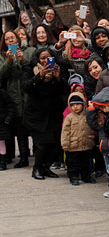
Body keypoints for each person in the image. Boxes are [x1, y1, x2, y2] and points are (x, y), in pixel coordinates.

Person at [22, 48, 69, 180]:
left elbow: (65, 89)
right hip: (36, 114)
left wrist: (58, 78)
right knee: (42, 143)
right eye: (42, 58)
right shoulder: (30, 69)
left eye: (48, 58)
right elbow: (26, 87)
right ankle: (37, 169)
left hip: (54, 112)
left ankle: (46, 168)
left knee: (55, 144)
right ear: (38, 59)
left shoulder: (58, 68)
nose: (45, 61)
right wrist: (40, 76)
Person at [0, 29, 35, 168]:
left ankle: (30, 154)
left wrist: (22, 60)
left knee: (27, 126)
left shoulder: (27, 51)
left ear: (17, 39)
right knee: (17, 127)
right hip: (12, 95)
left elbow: (32, 69)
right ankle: (17, 156)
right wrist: (8, 61)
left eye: (12, 38)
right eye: (7, 39)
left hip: (27, 94)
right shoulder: (2, 56)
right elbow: (1, 75)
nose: (10, 41)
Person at [60, 91, 95, 185]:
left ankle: (86, 177)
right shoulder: (69, 117)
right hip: (73, 146)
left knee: (85, 163)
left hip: (86, 145)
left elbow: (93, 127)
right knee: (73, 163)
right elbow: (65, 132)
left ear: (83, 104)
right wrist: (65, 144)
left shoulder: (87, 116)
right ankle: (73, 177)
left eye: (78, 104)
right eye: (72, 105)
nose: (75, 107)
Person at [0, 87, 16, 170]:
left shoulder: (2, 93)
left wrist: (8, 119)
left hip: (2, 122)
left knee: (1, 142)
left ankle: (2, 163)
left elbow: (11, 106)